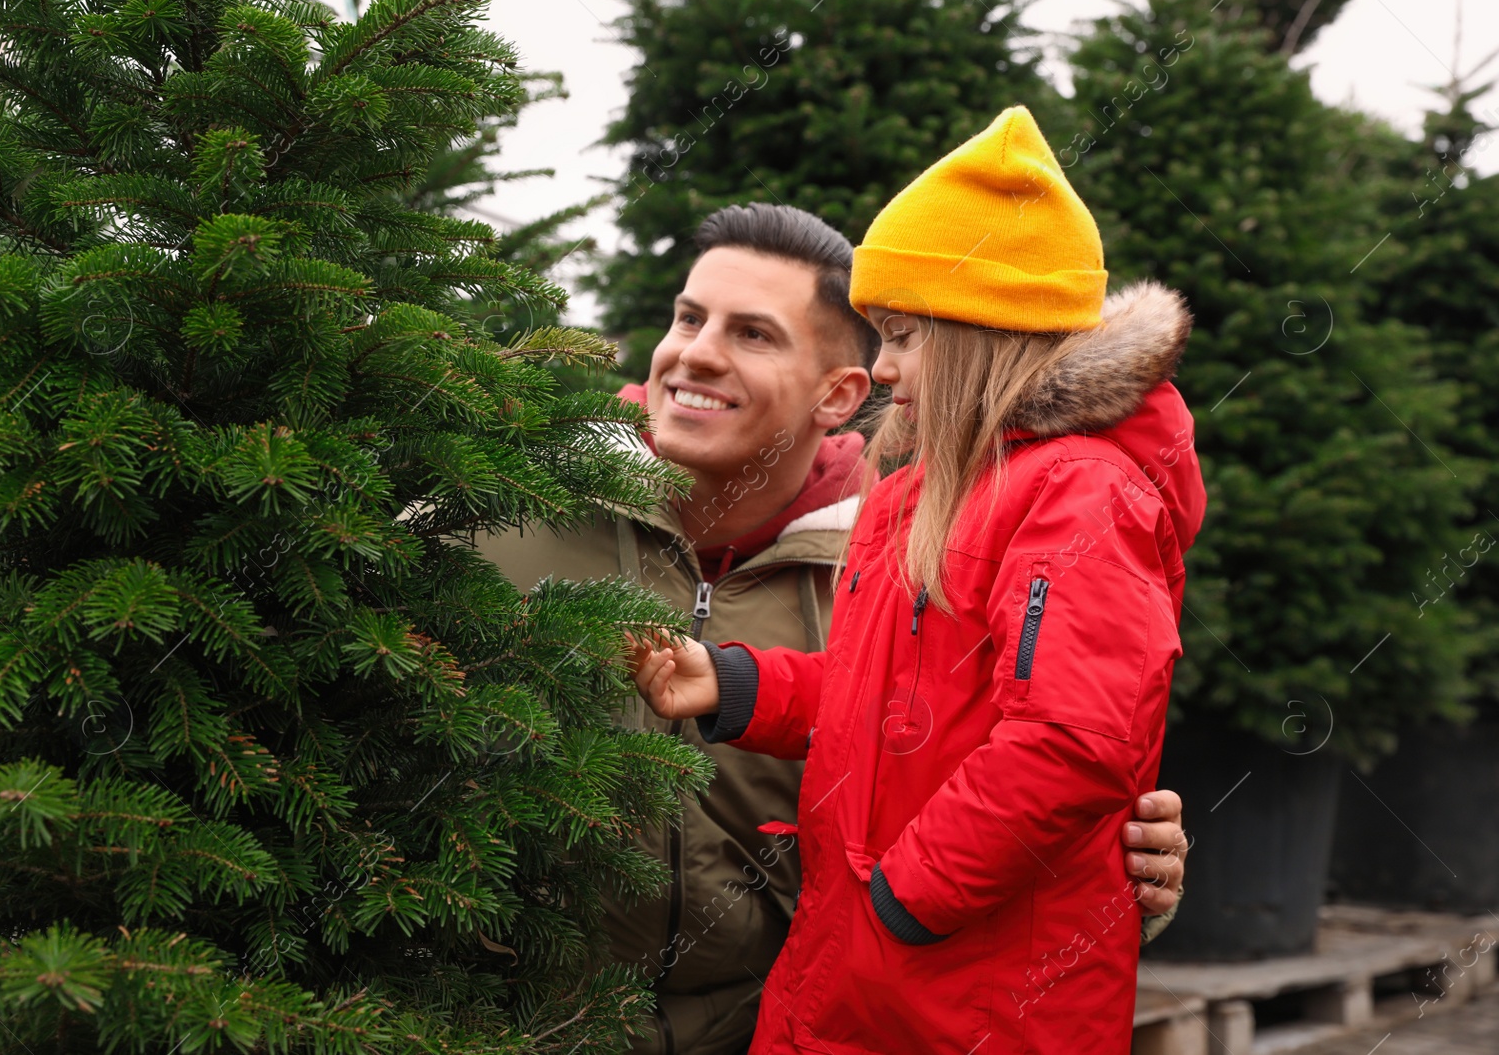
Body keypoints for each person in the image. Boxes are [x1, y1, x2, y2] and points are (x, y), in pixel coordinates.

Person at [484, 199, 1188, 1055]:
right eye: (688, 317)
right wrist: (741, 684)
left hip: (831, 1002)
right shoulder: (502, 512)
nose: (695, 352)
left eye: (752, 334)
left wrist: (922, 895)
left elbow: (1059, 738)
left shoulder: (913, 524)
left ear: (838, 394)